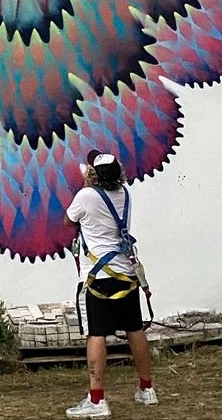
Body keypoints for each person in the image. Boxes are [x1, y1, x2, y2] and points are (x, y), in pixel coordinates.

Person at [63, 151, 158, 417]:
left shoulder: (86, 196)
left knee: (96, 334)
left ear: (93, 175)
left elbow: (68, 221)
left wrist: (86, 185)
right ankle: (147, 389)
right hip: (125, 273)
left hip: (98, 277)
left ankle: (97, 401)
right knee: (134, 328)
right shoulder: (125, 193)